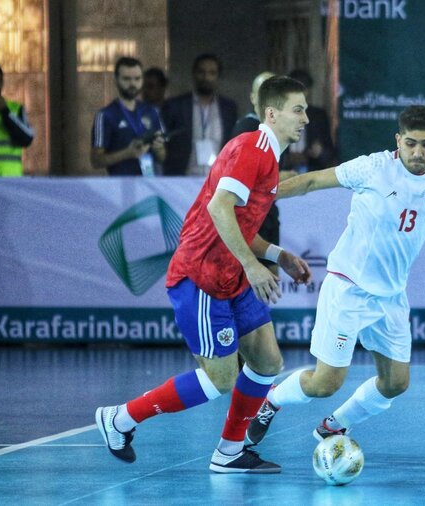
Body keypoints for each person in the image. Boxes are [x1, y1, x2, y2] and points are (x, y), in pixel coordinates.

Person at [245, 105, 425, 447]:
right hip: (348, 287)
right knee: (325, 384)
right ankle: (272, 400)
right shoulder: (374, 168)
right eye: (410, 143)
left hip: (391, 295)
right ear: (398, 139)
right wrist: (258, 193)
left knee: (396, 382)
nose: (418, 152)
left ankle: (334, 426)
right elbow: (311, 180)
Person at [95, 76, 312, 474]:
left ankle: (229, 453)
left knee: (266, 361)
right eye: (298, 110)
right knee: (219, 378)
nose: (306, 118)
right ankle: (120, 418)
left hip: (230, 275)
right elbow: (219, 209)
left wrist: (278, 255)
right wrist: (252, 265)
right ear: (271, 113)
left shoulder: (268, 155)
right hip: (202, 278)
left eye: (305, 110)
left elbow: (240, 224)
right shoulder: (253, 149)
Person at [232, 71, 297, 275]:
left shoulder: (279, 131)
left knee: (270, 281)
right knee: (250, 281)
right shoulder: (247, 129)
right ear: (253, 98)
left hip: (268, 215)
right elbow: (252, 180)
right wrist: (285, 177)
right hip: (247, 218)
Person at [162, 53, 238, 176]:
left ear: (218, 77)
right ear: (193, 74)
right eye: (201, 72)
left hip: (218, 181)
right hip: (181, 179)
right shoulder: (175, 106)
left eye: (212, 73)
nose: (206, 77)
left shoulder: (228, 108)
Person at [90, 57, 166, 176]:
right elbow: (96, 161)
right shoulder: (105, 115)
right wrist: (127, 153)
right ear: (116, 80)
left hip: (149, 182)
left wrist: (158, 147)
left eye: (137, 79)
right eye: (126, 79)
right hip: (119, 185)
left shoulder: (151, 112)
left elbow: (162, 157)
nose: (132, 84)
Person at [283, 69, 337, 173]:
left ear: (309, 91)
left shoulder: (319, 116)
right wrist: (288, 159)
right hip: (284, 175)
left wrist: (320, 153)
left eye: (304, 89)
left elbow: (331, 155)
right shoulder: (280, 115)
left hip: (312, 174)